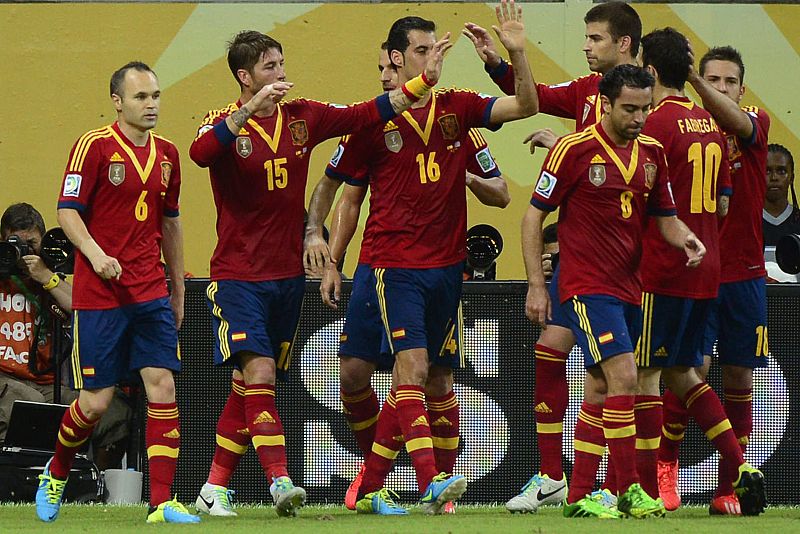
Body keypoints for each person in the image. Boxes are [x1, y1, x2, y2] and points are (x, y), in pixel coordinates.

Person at [188, 29, 450, 518]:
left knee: (249, 385)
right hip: (237, 275)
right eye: (269, 67)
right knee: (260, 372)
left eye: (282, 64)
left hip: (287, 278)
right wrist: (246, 111)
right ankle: (280, 480)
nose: (281, 75)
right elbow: (200, 153)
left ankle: (212, 487)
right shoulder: (223, 122)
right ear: (245, 77)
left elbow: (365, 113)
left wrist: (421, 84)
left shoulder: (304, 117)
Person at [318, 2, 538, 515]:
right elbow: (347, 196)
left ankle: (378, 484)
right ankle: (426, 481)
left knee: (431, 377)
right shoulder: (373, 120)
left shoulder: (460, 113)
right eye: (421, 50)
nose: (432, 56)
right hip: (391, 264)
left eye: (434, 48)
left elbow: (524, 108)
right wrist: (333, 259)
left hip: (446, 270)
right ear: (397, 59)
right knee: (377, 371)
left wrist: (515, 52)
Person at [464, 0, 642, 512]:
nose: (586, 46)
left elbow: (631, 158)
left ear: (624, 44)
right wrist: (500, 59)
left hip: (627, 262)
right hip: (583, 259)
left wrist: (565, 143)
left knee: (631, 375)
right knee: (556, 353)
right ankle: (557, 477)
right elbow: (531, 96)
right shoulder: (591, 91)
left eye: (596, 38)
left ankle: (634, 481)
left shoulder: (639, 98)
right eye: (586, 37)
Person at [522, 64, 705, 519]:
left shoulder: (652, 153)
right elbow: (532, 218)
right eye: (629, 109)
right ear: (605, 103)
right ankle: (628, 489)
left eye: (645, 108)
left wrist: (684, 236)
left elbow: (664, 215)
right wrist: (537, 286)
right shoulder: (572, 149)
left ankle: (581, 493)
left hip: (629, 287)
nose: (639, 117)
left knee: (602, 386)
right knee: (625, 375)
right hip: (586, 286)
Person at [37, 62, 194, 524]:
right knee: (96, 402)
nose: (152, 105)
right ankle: (57, 471)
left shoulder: (167, 153)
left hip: (149, 289)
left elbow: (170, 222)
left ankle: (162, 502)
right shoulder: (94, 146)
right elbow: (67, 213)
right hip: (101, 294)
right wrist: (95, 253)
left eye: (156, 96)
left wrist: (179, 284)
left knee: (162, 386)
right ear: (118, 101)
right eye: (142, 97)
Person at [635, 28, 765, 516]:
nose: (722, 87)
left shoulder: (655, 125)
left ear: (649, 71)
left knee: (649, 374)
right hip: (708, 266)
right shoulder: (708, 127)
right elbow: (726, 203)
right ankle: (739, 466)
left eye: (729, 80)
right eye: (711, 77)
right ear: (693, 76)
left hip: (668, 268)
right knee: (686, 372)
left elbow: (639, 196)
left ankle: (644, 490)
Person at [0, 204, 131, 470]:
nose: (24, 253)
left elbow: (79, 305)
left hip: (48, 385)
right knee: (30, 406)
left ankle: (98, 488)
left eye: (31, 244)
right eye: (15, 244)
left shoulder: (51, 280)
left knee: (114, 409)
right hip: (5, 379)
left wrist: (45, 277)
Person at [763, 144, 800, 247]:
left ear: (791, 178)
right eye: (767, 171)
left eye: (781, 171)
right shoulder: (746, 223)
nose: (774, 177)